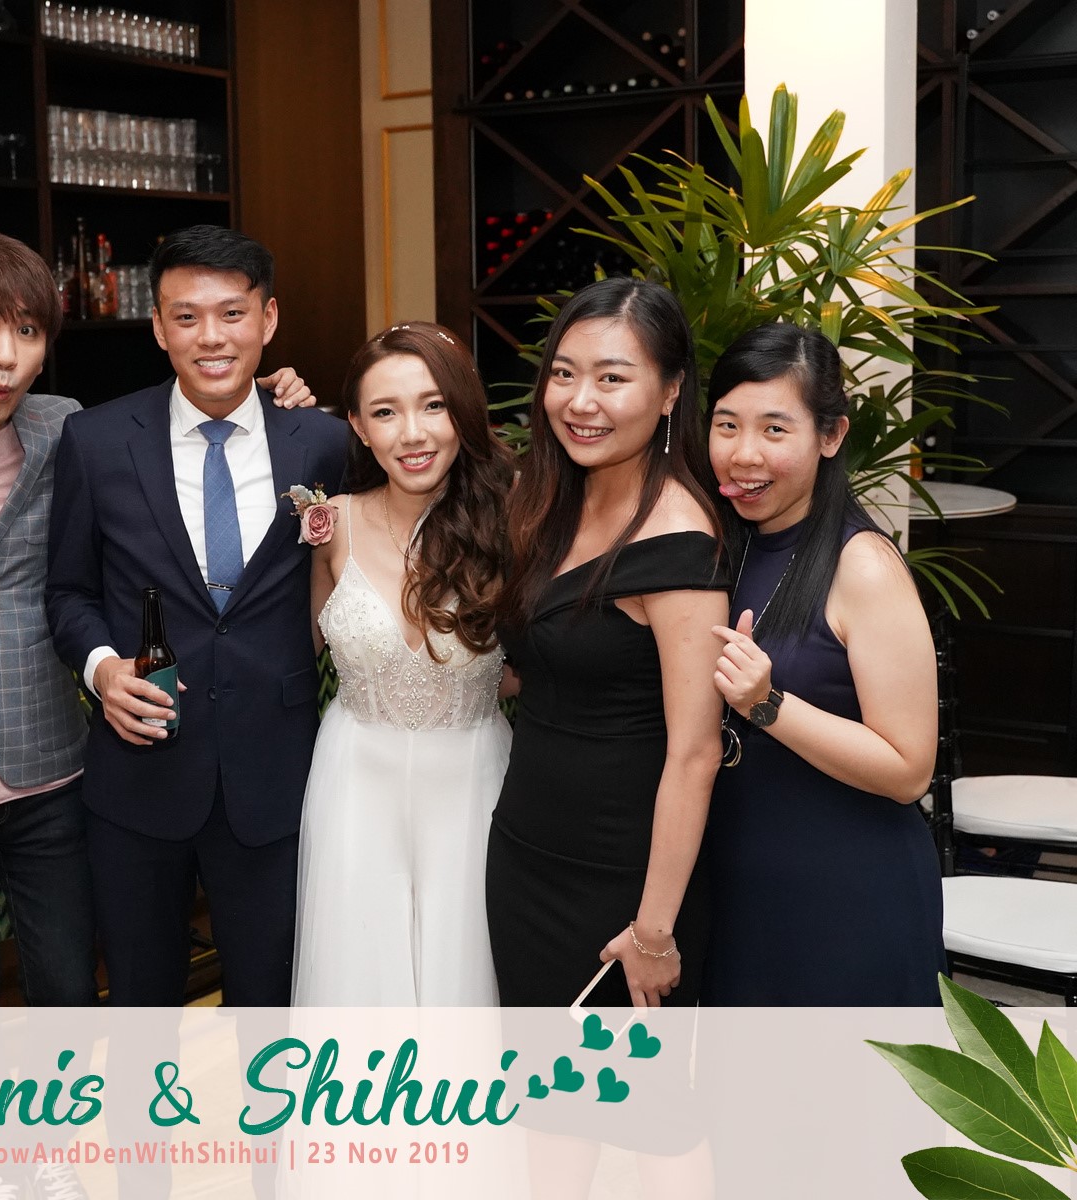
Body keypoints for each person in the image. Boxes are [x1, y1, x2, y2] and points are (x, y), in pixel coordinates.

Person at [0, 230, 318, 1013]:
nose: (5, 356)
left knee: (154, 996)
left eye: (27, 331)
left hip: (156, 771)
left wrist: (276, 391)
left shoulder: (79, 432)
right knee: (18, 998)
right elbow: (66, 589)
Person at [46, 224, 349, 1006]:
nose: (210, 337)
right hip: (138, 775)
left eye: (231, 313)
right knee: (139, 1007)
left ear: (268, 318)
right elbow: (68, 591)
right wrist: (102, 669)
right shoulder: (96, 441)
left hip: (275, 774)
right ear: (158, 327)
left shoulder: (324, 443)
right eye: (186, 316)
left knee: (270, 1009)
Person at [487, 275, 728, 1011]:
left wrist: (654, 930)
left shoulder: (681, 541)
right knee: (534, 1078)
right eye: (564, 374)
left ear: (670, 392)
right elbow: (535, 669)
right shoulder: (547, 502)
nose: (579, 401)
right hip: (524, 851)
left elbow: (696, 751)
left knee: (614, 1084)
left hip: (622, 882)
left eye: (612, 379)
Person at [701, 322, 942, 1004]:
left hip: (848, 899)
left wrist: (767, 704)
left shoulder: (863, 565)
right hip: (739, 891)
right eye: (726, 425)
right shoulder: (717, 545)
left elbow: (909, 769)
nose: (743, 454)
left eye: (775, 429)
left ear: (830, 436)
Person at [292, 321, 515, 1006]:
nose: (412, 434)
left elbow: (536, 665)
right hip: (356, 780)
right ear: (358, 427)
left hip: (474, 775)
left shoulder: (512, 521)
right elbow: (292, 651)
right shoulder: (331, 526)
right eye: (385, 413)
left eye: (433, 405)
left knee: (468, 968)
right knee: (359, 980)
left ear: (463, 411)